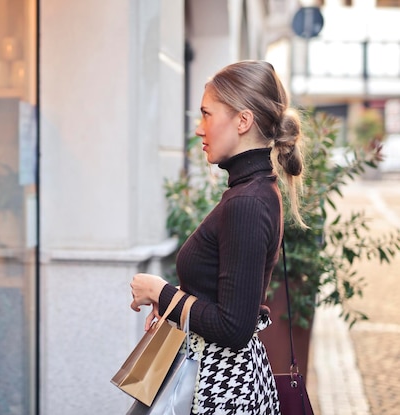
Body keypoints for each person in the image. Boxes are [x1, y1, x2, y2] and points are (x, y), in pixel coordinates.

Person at [129, 60, 305, 414]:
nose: (199, 128)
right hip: (217, 380)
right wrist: (173, 305)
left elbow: (233, 327)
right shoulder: (251, 191)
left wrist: (158, 291)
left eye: (207, 114)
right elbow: (226, 300)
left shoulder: (248, 201)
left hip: (219, 388)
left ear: (243, 121)